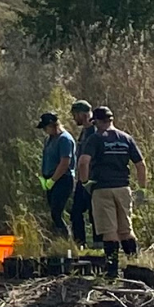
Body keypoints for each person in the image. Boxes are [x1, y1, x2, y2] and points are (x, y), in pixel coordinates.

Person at [74, 105, 148, 279]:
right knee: (126, 229)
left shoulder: (95, 138)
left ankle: (112, 270)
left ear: (97, 121)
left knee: (109, 231)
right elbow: (141, 165)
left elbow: (83, 162)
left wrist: (86, 183)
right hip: (123, 188)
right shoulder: (126, 138)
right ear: (111, 119)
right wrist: (142, 189)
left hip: (102, 189)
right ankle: (134, 263)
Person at [36, 112, 81, 245]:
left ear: (52, 125)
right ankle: (57, 241)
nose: (45, 131)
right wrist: (44, 178)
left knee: (57, 212)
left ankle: (66, 242)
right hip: (50, 179)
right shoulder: (49, 139)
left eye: (46, 128)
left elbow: (64, 162)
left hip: (62, 180)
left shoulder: (64, 139)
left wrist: (53, 180)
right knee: (53, 213)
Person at [66, 100, 96, 247]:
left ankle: (99, 244)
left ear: (83, 114)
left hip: (93, 179)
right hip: (82, 179)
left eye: (75, 115)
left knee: (94, 213)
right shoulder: (84, 131)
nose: (74, 118)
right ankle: (80, 243)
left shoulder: (95, 132)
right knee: (76, 212)